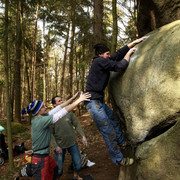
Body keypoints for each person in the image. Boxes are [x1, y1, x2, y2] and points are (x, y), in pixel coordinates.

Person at [85, 37, 147, 166]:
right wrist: (129, 55)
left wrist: (135, 42)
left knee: (114, 119)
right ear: (100, 55)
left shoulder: (103, 60)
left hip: (98, 101)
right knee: (108, 131)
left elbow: (117, 54)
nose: (109, 56)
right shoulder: (99, 62)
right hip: (93, 103)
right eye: (107, 54)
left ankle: (122, 143)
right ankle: (118, 160)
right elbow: (120, 66)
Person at [21, 92, 91, 180]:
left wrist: (73, 98)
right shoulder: (41, 121)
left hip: (45, 155)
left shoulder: (41, 117)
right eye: (43, 106)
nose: (46, 107)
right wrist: (79, 100)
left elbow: (59, 108)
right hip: (40, 158)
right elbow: (60, 113)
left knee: (54, 170)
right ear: (38, 111)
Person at [51, 95, 87, 180]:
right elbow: (50, 134)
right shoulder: (51, 116)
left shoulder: (68, 112)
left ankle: (76, 175)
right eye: (59, 101)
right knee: (59, 168)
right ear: (54, 105)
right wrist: (55, 146)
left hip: (72, 142)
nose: (62, 102)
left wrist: (83, 136)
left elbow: (77, 124)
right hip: (59, 145)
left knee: (78, 163)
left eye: (61, 100)